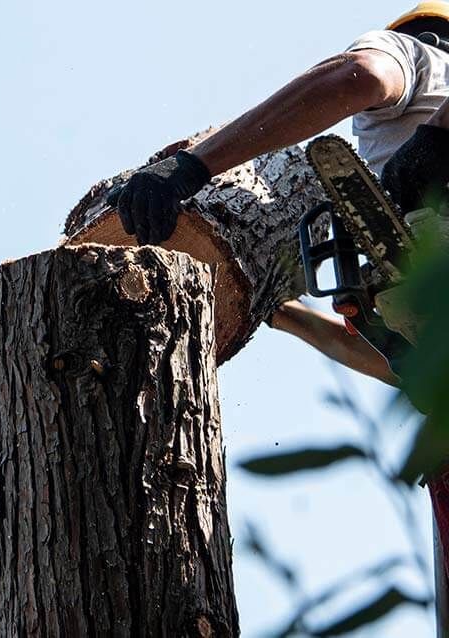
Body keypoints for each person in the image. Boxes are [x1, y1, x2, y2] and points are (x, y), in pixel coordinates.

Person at [113, 2, 449, 629]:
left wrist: (192, 168)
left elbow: (357, 80)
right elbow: (396, 366)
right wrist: (289, 316)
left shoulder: (424, 58)